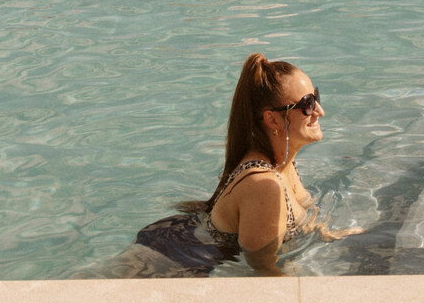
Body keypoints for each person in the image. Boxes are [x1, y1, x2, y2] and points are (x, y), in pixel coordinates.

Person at [125, 53, 328, 276]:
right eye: (307, 104)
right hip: (175, 264)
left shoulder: (282, 161)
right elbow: (263, 270)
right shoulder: (266, 186)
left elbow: (304, 219)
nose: (319, 110)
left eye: (315, 97)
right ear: (272, 120)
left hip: (182, 241)